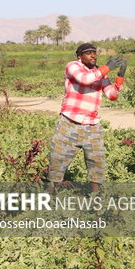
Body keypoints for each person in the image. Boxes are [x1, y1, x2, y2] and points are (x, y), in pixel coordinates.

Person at [46, 43, 127, 193]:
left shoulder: (100, 73)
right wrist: (107, 67)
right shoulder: (73, 67)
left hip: (92, 125)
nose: (93, 55)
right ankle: (50, 196)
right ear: (79, 56)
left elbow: (112, 95)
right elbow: (85, 79)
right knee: (58, 161)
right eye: (88, 53)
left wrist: (120, 77)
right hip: (69, 123)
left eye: (94, 53)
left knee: (97, 163)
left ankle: (96, 198)